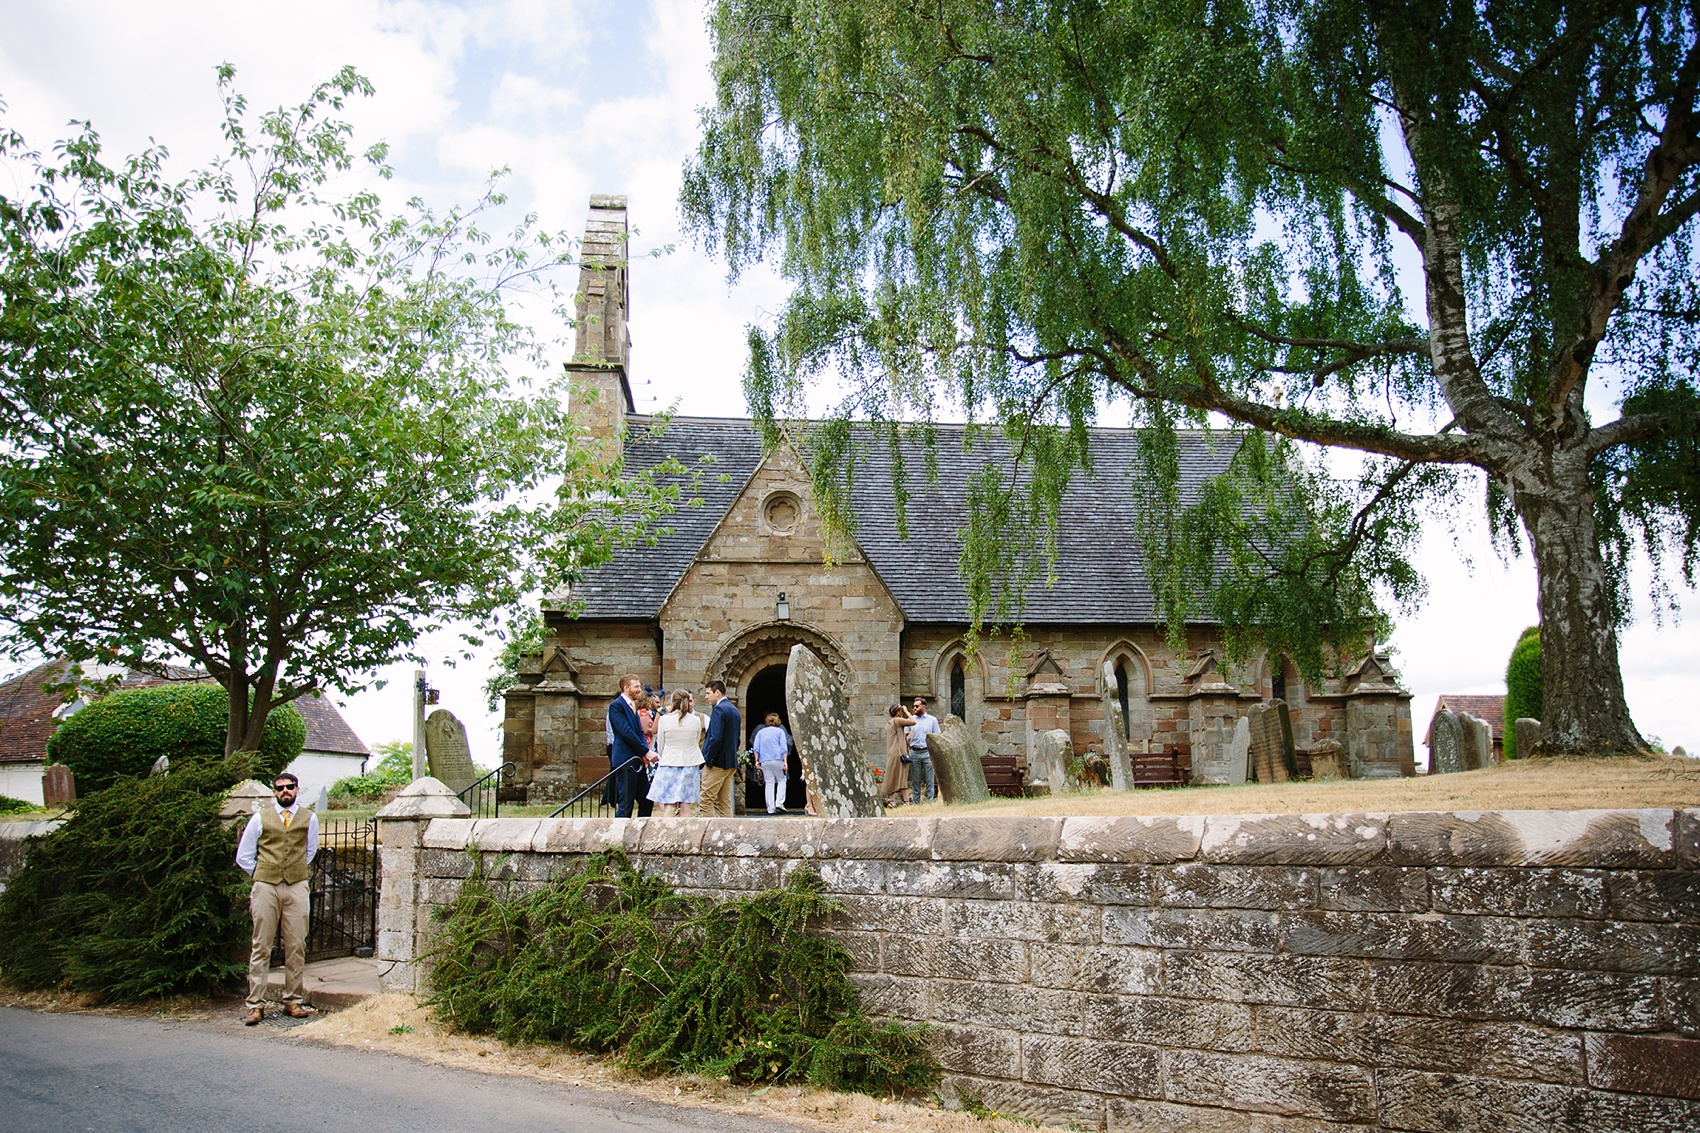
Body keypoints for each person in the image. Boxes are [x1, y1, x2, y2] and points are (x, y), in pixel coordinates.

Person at [235, 772, 319, 1026]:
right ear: (274, 792)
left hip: (295, 886)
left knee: (296, 945)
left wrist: (292, 871)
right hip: (266, 887)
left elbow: (311, 850)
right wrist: (262, 874)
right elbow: (244, 855)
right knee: (261, 945)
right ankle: (255, 1005)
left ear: (296, 789)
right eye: (280, 788)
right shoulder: (260, 818)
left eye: (289, 787)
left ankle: (293, 1000)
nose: (285, 791)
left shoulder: (309, 818)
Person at [648, 689, 706, 816]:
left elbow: (661, 744)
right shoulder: (695, 720)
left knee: (669, 804)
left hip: (669, 762)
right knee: (686, 805)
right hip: (690, 763)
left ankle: (668, 832)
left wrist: (666, 755)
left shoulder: (664, 720)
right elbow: (695, 742)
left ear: (673, 701)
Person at [608, 674, 650, 817]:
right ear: (626, 688)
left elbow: (639, 731)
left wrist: (646, 751)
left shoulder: (633, 705)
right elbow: (625, 732)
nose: (640, 689)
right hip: (624, 760)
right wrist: (645, 750)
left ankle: (641, 831)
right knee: (626, 803)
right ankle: (618, 836)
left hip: (637, 760)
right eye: (636, 686)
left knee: (646, 799)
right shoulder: (616, 706)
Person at [699, 680, 742, 817]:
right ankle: (729, 834)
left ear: (717, 692)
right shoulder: (734, 710)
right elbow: (737, 739)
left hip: (717, 763)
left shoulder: (719, 709)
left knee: (706, 800)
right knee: (723, 802)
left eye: (708, 693)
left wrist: (708, 759)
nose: (706, 697)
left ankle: (711, 835)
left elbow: (715, 738)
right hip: (730, 762)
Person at [752, 712, 791, 813]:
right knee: (782, 780)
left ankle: (770, 808)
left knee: (769, 783)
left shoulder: (760, 732)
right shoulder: (780, 731)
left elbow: (756, 748)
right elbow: (784, 748)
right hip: (778, 759)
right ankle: (779, 802)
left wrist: (757, 761)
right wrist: (785, 762)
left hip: (764, 761)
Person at [907, 696, 941, 803]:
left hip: (927, 752)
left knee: (929, 779)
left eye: (917, 706)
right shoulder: (910, 720)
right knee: (915, 780)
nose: (914, 708)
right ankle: (916, 803)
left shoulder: (932, 720)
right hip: (914, 752)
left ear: (923, 706)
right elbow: (905, 737)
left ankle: (930, 801)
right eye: (913, 706)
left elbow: (937, 736)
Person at [883, 703, 918, 806]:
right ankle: (906, 801)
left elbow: (897, 740)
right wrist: (907, 711)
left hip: (892, 753)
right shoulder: (897, 720)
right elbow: (913, 721)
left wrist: (908, 735)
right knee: (902, 775)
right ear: (898, 712)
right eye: (901, 710)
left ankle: (891, 800)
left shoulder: (889, 723)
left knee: (891, 775)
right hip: (899, 754)